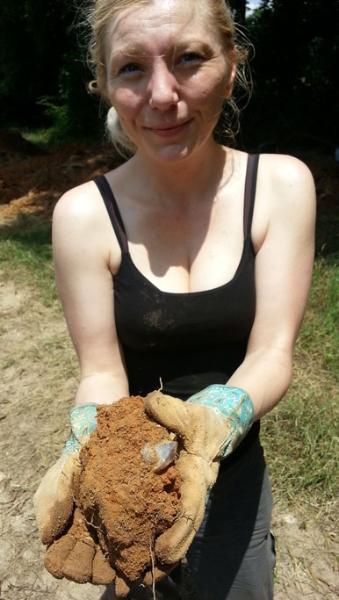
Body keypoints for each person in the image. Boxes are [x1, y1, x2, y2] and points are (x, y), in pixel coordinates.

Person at [34, 0, 316, 598]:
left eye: (189, 58)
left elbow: (272, 350)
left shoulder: (282, 187)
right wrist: (98, 444)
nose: (162, 95)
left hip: (236, 475)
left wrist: (217, 419)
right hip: (134, 482)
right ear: (105, 84)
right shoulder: (83, 216)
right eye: (132, 68)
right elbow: (102, 369)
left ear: (231, 66)